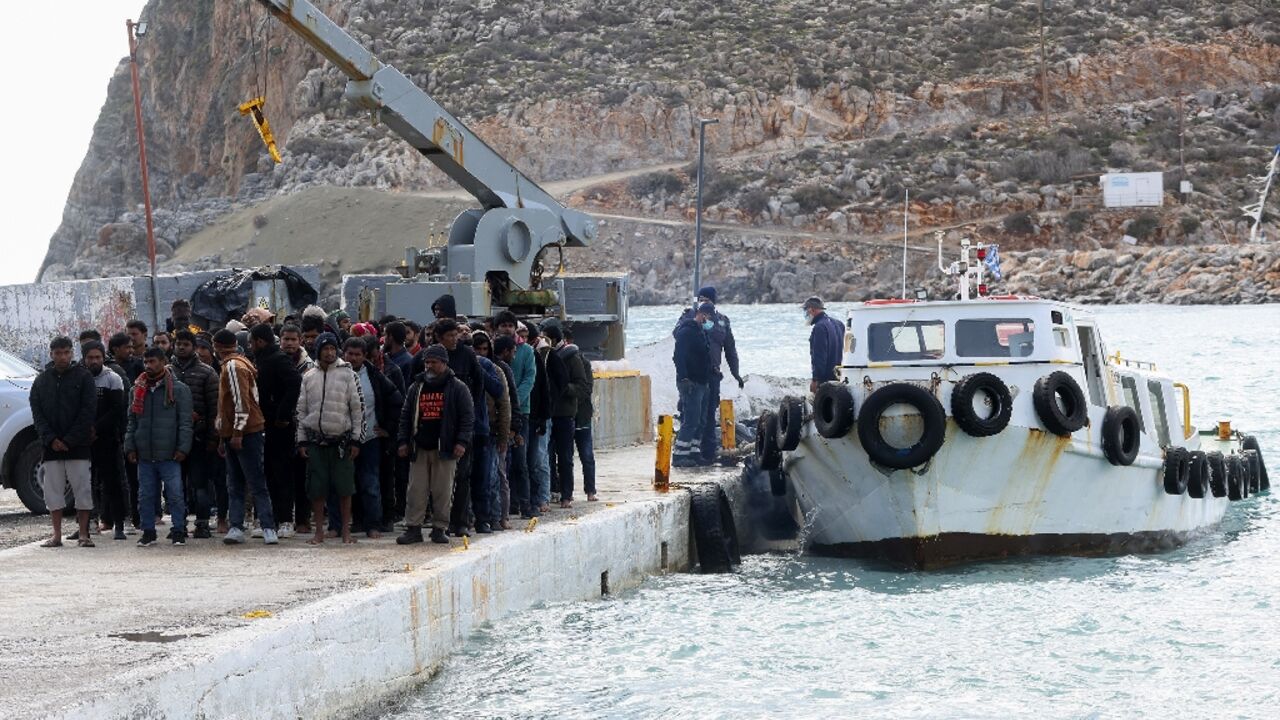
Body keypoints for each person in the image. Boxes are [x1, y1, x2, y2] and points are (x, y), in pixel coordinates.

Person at [396, 344, 473, 545]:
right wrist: (403, 441)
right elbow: (405, 416)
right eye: (426, 362)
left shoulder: (458, 387)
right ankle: (413, 528)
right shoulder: (416, 387)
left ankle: (440, 528)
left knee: (443, 490)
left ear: (444, 363)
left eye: (433, 362)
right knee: (416, 490)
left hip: (445, 448)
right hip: (420, 446)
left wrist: (461, 442)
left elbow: (467, 418)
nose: (429, 366)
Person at [295, 333, 366, 545]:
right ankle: (319, 532)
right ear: (318, 350)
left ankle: (346, 531)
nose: (329, 352)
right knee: (317, 490)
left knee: (345, 489)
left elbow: (358, 409)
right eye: (325, 348)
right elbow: (301, 410)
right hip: (316, 442)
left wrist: (356, 440)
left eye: (332, 348)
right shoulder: (308, 376)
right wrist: (301, 441)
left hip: (342, 442)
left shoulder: (348, 375)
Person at [434, 319, 502, 535]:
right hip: (438, 428)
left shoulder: (469, 357)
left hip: (470, 427)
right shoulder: (429, 358)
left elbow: (485, 388)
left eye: (457, 334)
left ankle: (468, 521)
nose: (456, 339)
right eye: (451, 335)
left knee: (470, 477)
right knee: (439, 481)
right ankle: (440, 524)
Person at [30, 337, 97, 547]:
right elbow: (37, 414)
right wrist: (51, 439)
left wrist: (69, 439)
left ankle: (84, 534)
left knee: (82, 489)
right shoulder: (41, 381)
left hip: (78, 445)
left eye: (66, 352)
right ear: (51, 354)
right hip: (51, 447)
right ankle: (56, 535)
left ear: (72, 353)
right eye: (58, 353)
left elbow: (88, 411)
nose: (62, 357)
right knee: (52, 492)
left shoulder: (84, 377)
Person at [213, 329, 277, 545]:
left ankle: (267, 526)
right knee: (238, 482)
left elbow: (241, 403)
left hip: (245, 432)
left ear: (218, 347)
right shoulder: (239, 363)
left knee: (252, 481)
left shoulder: (233, 367)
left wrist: (237, 433)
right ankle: (237, 526)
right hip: (236, 432)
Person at [125, 348, 193, 546]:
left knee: (175, 494)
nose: (148, 366)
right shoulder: (137, 389)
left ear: (163, 362)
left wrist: (183, 448)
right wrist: (130, 446)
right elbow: (132, 421)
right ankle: (148, 531)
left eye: (153, 361)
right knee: (145, 495)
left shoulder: (179, 390)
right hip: (145, 453)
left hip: (170, 454)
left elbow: (185, 422)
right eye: (146, 362)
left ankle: (179, 530)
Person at [674, 287, 744, 463]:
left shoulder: (722, 321)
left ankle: (705, 452)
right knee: (689, 413)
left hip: (712, 374)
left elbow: (730, 349)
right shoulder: (689, 318)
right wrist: (694, 317)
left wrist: (736, 373)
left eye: (707, 299)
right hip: (693, 375)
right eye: (701, 299)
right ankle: (683, 452)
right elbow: (678, 339)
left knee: (708, 414)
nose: (704, 301)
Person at [341, 337, 402, 538]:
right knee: (345, 483)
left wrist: (388, 428)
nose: (353, 358)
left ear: (365, 356)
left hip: (369, 439)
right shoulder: (335, 374)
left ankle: (373, 524)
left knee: (370, 483)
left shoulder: (375, 376)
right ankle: (351, 523)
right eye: (350, 353)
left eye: (358, 354)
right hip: (341, 438)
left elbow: (397, 401)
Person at [249, 323, 303, 538]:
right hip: (264, 425)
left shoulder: (278, 359)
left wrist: (282, 414)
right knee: (267, 474)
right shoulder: (261, 360)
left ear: (260, 342)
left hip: (279, 427)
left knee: (282, 474)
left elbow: (295, 384)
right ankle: (267, 519)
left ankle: (286, 520)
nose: (251, 346)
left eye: (252, 342)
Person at [171, 330, 221, 539]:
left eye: (186, 344)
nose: (182, 347)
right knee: (175, 485)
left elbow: (214, 409)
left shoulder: (207, 373)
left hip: (199, 439)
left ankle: (202, 523)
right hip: (172, 440)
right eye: (179, 344)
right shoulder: (166, 372)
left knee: (200, 483)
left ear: (193, 347)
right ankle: (179, 524)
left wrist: (212, 437)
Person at [81, 341, 128, 540]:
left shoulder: (113, 379)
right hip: (83, 439)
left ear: (103, 357)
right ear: (84, 359)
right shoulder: (79, 378)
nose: (94, 361)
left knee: (112, 482)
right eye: (90, 358)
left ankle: (118, 524)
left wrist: (96, 428)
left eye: (97, 357)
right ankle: (86, 525)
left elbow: (117, 410)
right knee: (83, 483)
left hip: (107, 438)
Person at [544, 321, 588, 507]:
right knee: (545, 457)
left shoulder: (572, 358)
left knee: (565, 457)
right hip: (547, 413)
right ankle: (552, 491)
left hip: (564, 414)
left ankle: (566, 495)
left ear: (554, 339)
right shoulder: (544, 356)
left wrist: (561, 388)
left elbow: (582, 387)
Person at [495, 312, 535, 517]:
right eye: (503, 325)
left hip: (521, 412)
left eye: (511, 325)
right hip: (498, 413)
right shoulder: (493, 351)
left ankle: (525, 505)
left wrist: (514, 402)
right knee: (502, 462)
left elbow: (529, 377)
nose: (507, 329)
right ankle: (508, 505)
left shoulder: (526, 351)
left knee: (520, 461)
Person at [472, 331, 512, 530]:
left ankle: (497, 517)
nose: (480, 353)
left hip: (492, 431)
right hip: (472, 432)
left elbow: (504, 404)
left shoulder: (495, 370)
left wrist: (505, 435)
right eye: (476, 349)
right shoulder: (467, 368)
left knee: (495, 478)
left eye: (484, 349)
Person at [673, 303, 715, 467]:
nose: (711, 321)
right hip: (691, 382)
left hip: (703, 382)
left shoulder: (701, 332)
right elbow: (678, 356)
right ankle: (680, 455)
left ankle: (694, 452)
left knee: (701, 420)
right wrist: (684, 378)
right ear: (702, 314)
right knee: (691, 419)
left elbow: (702, 356)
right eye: (709, 317)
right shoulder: (687, 331)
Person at [562, 327, 597, 501]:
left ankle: (590, 491)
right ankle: (564, 494)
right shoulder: (557, 361)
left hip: (581, 416)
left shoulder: (583, 362)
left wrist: (565, 390)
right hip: (564, 416)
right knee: (565, 457)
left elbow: (586, 389)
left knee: (586, 455)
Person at [804, 296, 845, 394]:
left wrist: (815, 379)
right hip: (840, 376)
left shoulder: (820, 327)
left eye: (805, 311)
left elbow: (819, 356)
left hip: (825, 380)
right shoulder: (839, 324)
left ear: (812, 310)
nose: (805, 314)